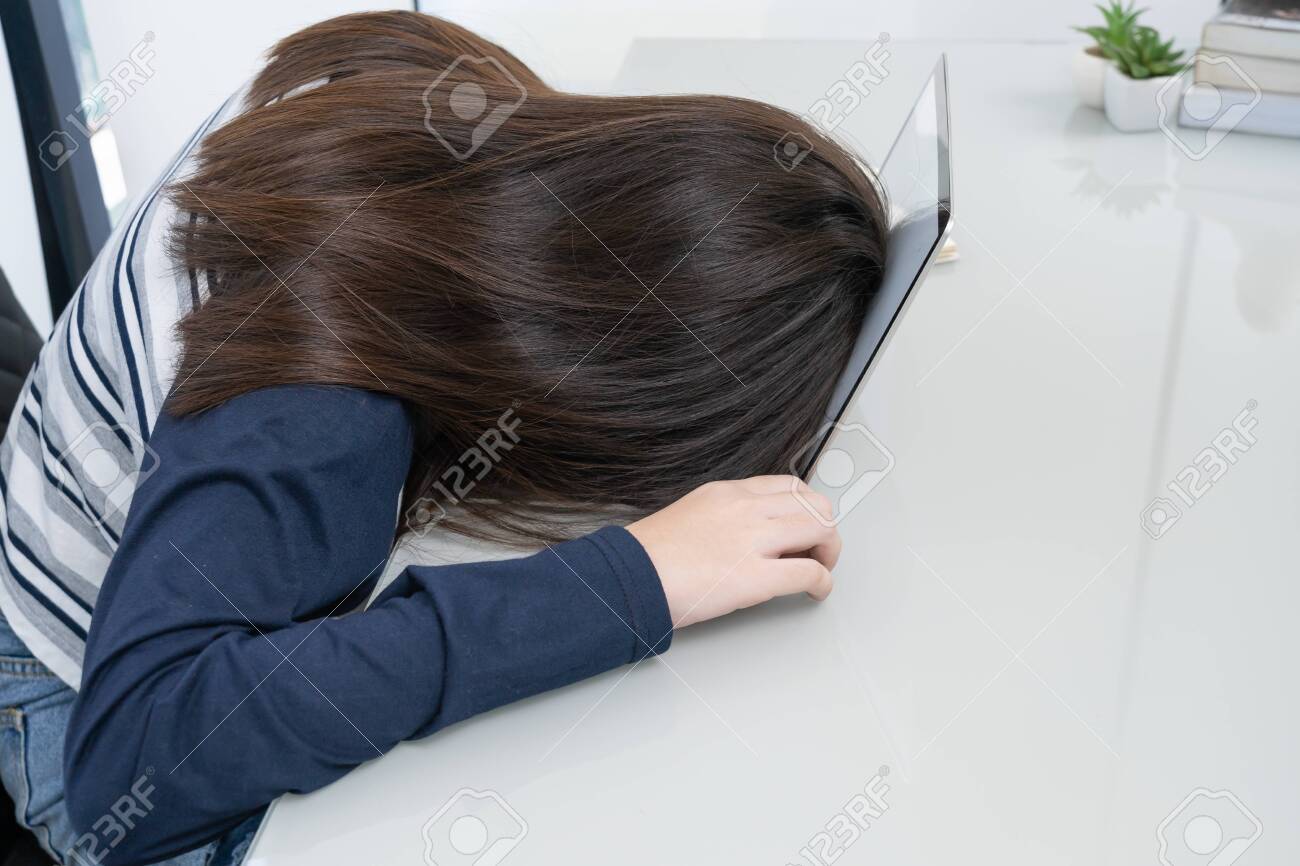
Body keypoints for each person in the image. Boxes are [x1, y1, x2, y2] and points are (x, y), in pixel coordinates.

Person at [0, 11, 887, 865]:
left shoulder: (454, 87)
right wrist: (628, 582)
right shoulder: (323, 400)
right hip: (71, 707)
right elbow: (133, 762)